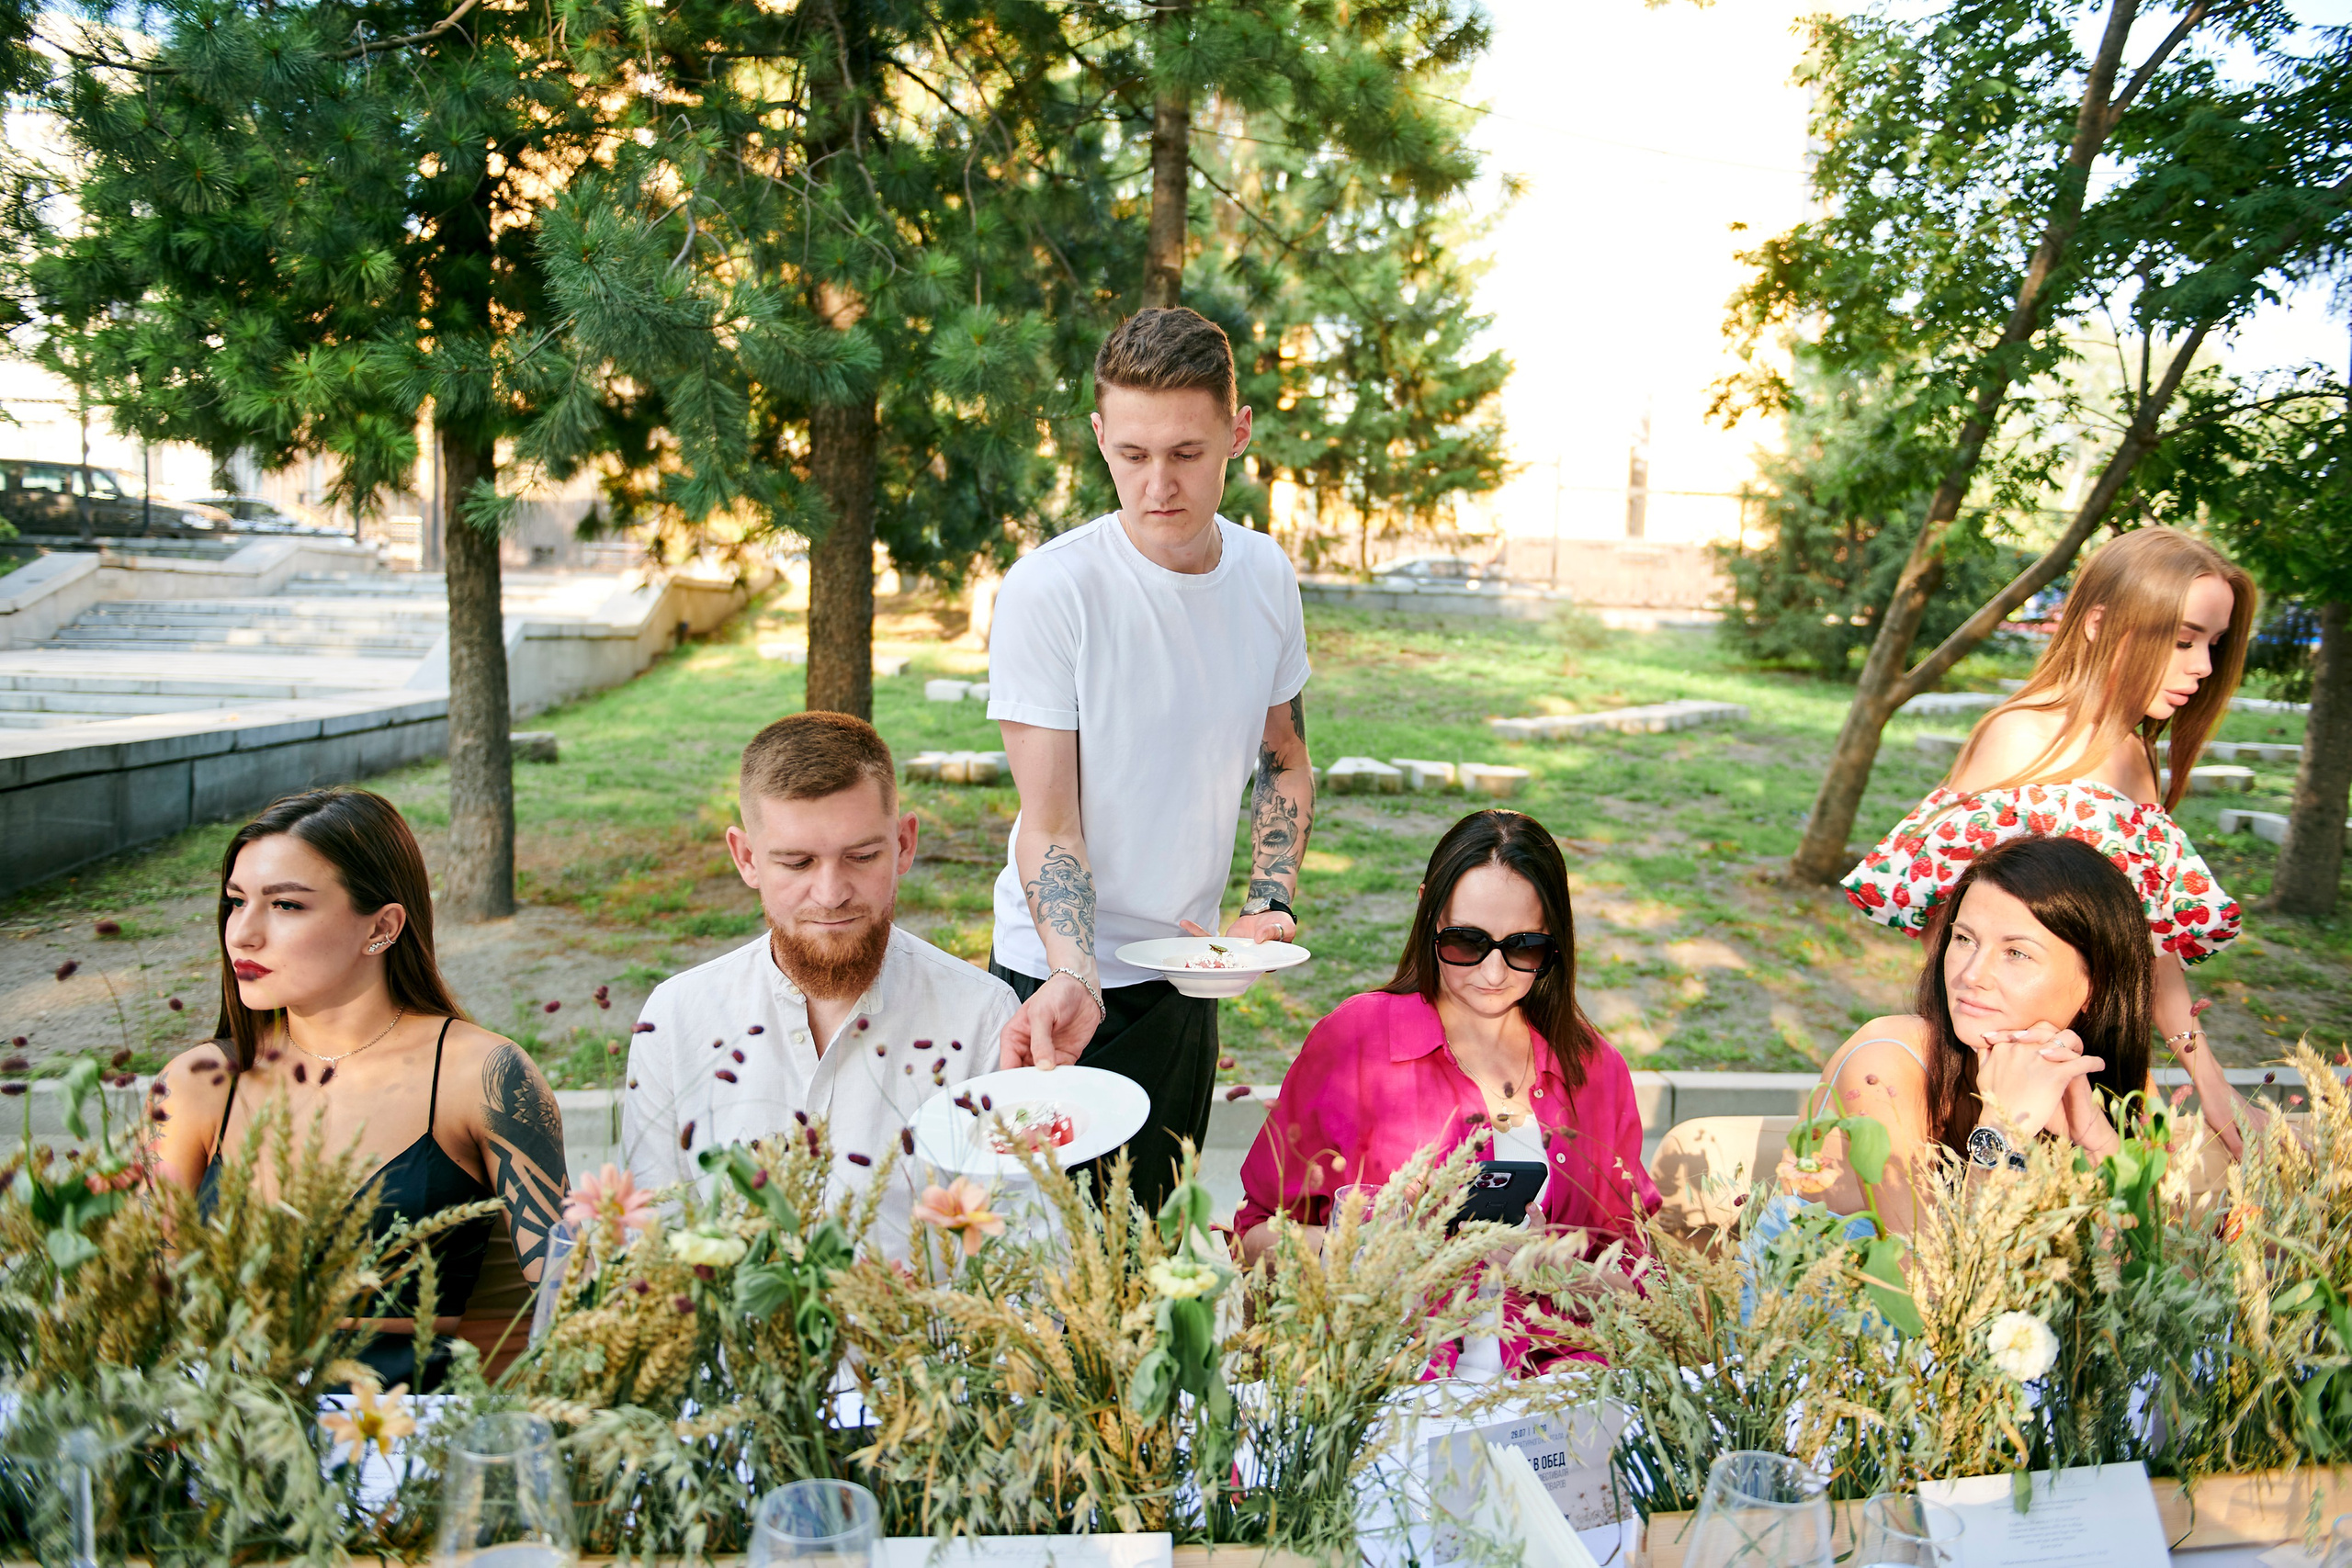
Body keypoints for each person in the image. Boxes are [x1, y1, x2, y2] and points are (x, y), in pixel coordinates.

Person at [986, 306, 1313, 1213]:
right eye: (1131, 455)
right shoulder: (1051, 591)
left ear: (1236, 434)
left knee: (1149, 1258)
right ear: (1099, 438)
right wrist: (1073, 972)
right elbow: (1050, 823)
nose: (1157, 483)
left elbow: (1283, 758)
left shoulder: (1265, 577)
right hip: (1052, 972)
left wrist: (1266, 903)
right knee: (1045, 1272)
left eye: (1185, 453)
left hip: (1183, 978)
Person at [1840, 525, 2263, 1152]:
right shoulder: (2019, 740)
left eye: (2213, 643)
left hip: (2100, 1069)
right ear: (2097, 622)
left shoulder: (2137, 759)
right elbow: (1955, 928)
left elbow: (2150, 942)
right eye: (2181, 640)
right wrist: (2010, 1079)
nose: (2202, 667)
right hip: (1997, 1073)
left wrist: (2211, 1081)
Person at [149, 788, 570, 1392]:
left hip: (412, 1450)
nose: (241, 934)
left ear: (382, 926)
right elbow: (144, 1304)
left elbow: (568, 1308)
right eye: (235, 902)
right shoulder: (198, 1084)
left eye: (286, 905)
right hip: (230, 1446)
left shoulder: (483, 1075)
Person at [1233, 810, 1658, 1371]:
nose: (1493, 971)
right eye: (1465, 942)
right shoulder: (1355, 1041)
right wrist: (1369, 1251)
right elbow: (1253, 1242)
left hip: (1552, 1405)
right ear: (1427, 915)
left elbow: (1646, 1274)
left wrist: (1549, 1267)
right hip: (1388, 1393)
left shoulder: (1593, 1068)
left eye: (1524, 947)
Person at [624, 712, 1016, 1257]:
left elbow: (1021, 1248)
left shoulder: (983, 1018)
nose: (830, 894)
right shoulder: (676, 1018)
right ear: (746, 858)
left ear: (904, 845)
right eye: (797, 862)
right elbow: (648, 1243)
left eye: (861, 856)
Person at [1803, 835, 2153, 1235]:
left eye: (2016, 953)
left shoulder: (2094, 1077)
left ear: (2096, 986)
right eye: (1964, 939)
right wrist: (2004, 1129)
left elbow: (2153, 1267)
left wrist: (2093, 1136)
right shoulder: (1884, 1064)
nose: (1969, 975)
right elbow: (1927, 1288)